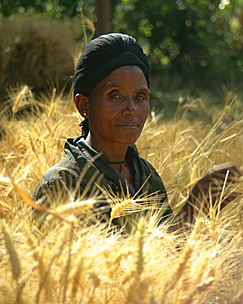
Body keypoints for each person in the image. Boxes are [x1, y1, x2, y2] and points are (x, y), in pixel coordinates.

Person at [32, 33, 242, 231]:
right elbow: (66, 268)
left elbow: (165, 253)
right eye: (115, 96)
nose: (131, 109)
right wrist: (192, 210)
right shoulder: (60, 185)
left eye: (140, 97)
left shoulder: (145, 175)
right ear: (84, 105)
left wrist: (201, 206)